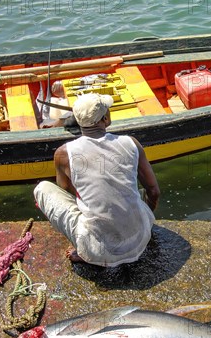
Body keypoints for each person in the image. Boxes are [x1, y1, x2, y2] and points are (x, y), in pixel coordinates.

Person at [34, 92, 160, 267]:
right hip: (140, 240)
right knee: (136, 193)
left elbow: (67, 193)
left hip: (98, 251)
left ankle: (85, 249)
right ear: (106, 120)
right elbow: (154, 192)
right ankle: (133, 227)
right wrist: (145, 222)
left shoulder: (63, 154)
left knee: (42, 188)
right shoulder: (131, 143)